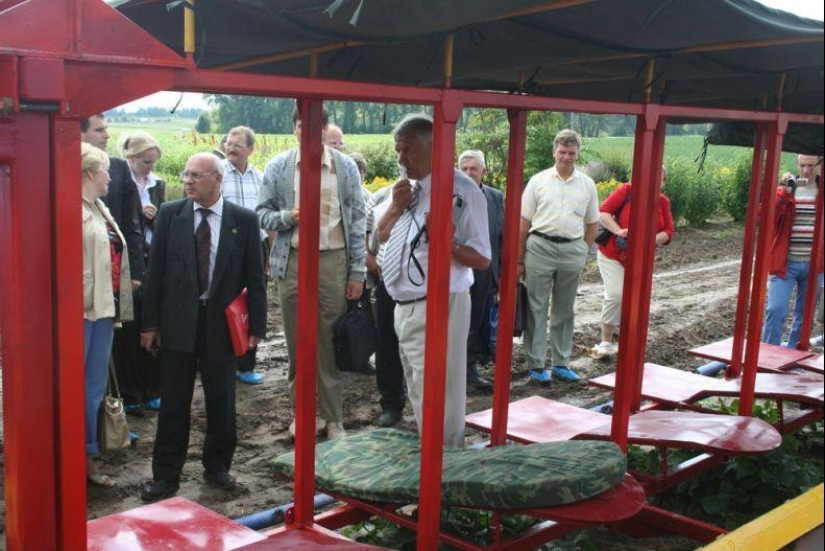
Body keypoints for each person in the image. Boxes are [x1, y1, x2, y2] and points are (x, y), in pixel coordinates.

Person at [139, 153, 267, 501]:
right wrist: (149, 323)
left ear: (217, 179)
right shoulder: (171, 214)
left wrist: (257, 324)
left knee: (222, 400)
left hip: (220, 325)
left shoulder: (243, 219)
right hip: (178, 322)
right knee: (174, 403)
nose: (188, 180)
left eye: (196, 175)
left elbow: (256, 277)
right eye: (186, 174)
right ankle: (165, 475)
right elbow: (155, 275)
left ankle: (218, 466)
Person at [375, 114, 491, 447]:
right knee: (418, 386)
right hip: (405, 305)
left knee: (442, 389)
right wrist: (396, 207)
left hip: (441, 303)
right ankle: (432, 455)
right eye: (398, 150)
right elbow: (380, 238)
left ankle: (445, 465)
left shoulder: (463, 192)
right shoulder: (408, 190)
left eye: (407, 150)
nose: (400, 158)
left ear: (432, 148)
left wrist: (448, 244)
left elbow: (482, 258)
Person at [257, 105, 366, 440]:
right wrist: (288, 217)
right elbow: (262, 214)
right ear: (295, 128)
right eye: (303, 124)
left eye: (316, 124)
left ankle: (334, 419)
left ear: (325, 127)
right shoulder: (280, 166)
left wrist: (357, 271)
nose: (309, 131)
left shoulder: (344, 167)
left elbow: (359, 219)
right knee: (296, 343)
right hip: (292, 262)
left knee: (329, 343)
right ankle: (302, 414)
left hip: (333, 261)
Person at [518, 129, 598, 385]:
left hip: (572, 249)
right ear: (555, 152)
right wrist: (520, 259)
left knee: (565, 308)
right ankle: (537, 365)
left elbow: (592, 222)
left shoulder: (587, 184)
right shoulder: (538, 181)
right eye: (562, 152)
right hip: (540, 246)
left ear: (577, 154)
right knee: (536, 306)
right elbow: (524, 221)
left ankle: (562, 363)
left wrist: (583, 250)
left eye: (571, 153)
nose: (566, 157)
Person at [81, 142, 134, 488]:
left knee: (93, 388)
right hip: (81, 312)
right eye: (105, 171)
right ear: (89, 173)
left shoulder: (98, 207)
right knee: (76, 388)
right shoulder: (72, 209)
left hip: (102, 310)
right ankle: (76, 459)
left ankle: (85, 456)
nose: (110, 178)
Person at [590, 169, 675, 359]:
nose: (653, 182)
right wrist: (618, 231)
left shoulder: (662, 201)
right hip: (613, 254)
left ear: (662, 183)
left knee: (636, 300)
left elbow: (669, 232)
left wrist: (650, 239)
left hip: (640, 260)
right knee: (616, 294)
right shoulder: (627, 191)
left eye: (658, 180)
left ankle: (630, 342)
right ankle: (606, 341)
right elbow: (604, 212)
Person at [114, 131, 166, 415]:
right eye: (146, 162)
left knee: (152, 325)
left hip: (152, 260)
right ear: (130, 158)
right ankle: (131, 392)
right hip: (129, 265)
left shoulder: (157, 186)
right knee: (130, 330)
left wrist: (156, 216)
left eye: (153, 162)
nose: (150, 168)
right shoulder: (120, 185)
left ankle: (153, 389)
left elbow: (167, 223)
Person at [221, 125, 267, 385]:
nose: (231, 148)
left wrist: (270, 251)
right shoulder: (217, 173)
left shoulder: (258, 177)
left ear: (251, 148)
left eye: (238, 144)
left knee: (252, 303)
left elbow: (266, 217)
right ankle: (226, 362)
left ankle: (246, 364)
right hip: (225, 248)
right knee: (225, 303)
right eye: (228, 143)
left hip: (255, 247)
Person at [763, 154, 823, 348]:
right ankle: (768, 358)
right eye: (802, 165)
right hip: (785, 264)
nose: (805, 170)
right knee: (775, 309)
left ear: (820, 165)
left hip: (815, 265)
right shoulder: (788, 189)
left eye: (811, 166)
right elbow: (765, 219)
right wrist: (783, 193)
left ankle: (793, 358)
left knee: (804, 316)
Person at [80, 115, 145, 293]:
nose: (107, 135)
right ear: (79, 133)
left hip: (113, 270)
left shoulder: (118, 168)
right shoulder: (57, 165)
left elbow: (132, 223)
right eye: (99, 130)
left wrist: (136, 273)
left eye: (106, 129)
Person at [458, 150, 504, 393]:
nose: (468, 173)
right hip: (456, 269)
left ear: (484, 171)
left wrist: (502, 273)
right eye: (463, 168)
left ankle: (470, 367)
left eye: (473, 168)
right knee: (455, 319)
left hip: (484, 269)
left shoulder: (495, 197)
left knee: (476, 318)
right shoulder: (451, 194)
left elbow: (501, 235)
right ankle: (452, 368)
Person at [367, 184, 407, 427]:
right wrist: (371, 262)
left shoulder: (444, 191)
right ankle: (392, 403)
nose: (403, 157)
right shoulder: (383, 195)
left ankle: (427, 404)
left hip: (426, 287)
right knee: (387, 344)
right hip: (389, 282)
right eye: (400, 151)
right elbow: (369, 235)